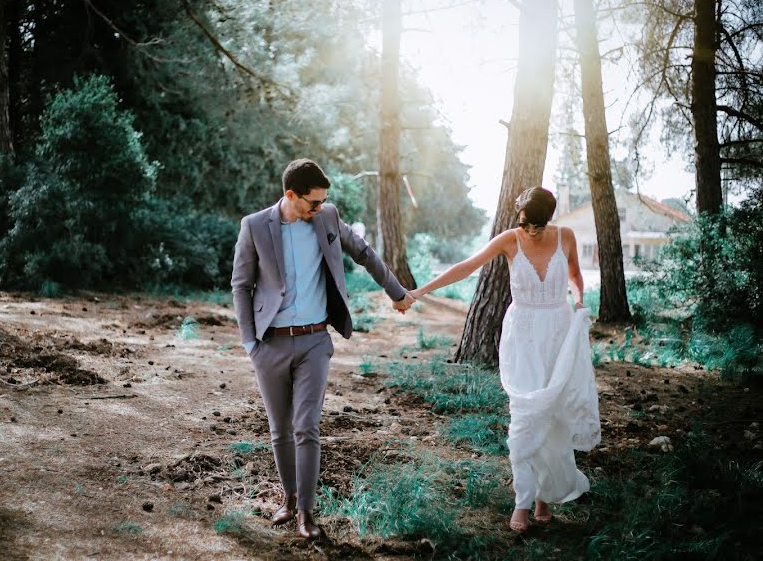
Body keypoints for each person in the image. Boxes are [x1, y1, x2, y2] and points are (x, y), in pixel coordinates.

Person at [231, 159, 415, 539]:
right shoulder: (254, 226)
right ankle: (288, 498)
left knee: (307, 427)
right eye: (313, 202)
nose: (320, 208)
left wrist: (396, 292)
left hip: (315, 340)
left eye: (323, 202)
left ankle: (306, 513)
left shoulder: (327, 217)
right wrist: (250, 342)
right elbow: (241, 285)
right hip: (270, 343)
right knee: (279, 429)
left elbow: (363, 252)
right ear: (290, 195)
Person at [409, 186, 600, 534]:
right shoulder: (509, 240)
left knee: (554, 415)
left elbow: (574, 276)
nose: (529, 231)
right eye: (525, 224)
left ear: (549, 219)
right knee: (526, 414)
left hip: (558, 332)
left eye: (536, 225)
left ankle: (545, 497)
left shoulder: (566, 236)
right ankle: (522, 502)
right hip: (523, 334)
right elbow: (466, 267)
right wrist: (418, 292)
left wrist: (580, 301)